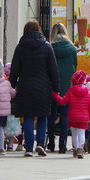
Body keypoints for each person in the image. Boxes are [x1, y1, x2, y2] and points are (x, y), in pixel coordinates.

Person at [10, 21, 60, 157]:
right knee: (43, 115)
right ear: (38, 30)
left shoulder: (20, 47)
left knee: (28, 116)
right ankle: (40, 143)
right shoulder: (46, 46)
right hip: (43, 87)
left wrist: (11, 86)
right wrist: (56, 88)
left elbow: (14, 69)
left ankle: (28, 148)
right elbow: (53, 70)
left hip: (25, 86)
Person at [47, 23, 77, 153]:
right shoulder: (71, 48)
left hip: (53, 86)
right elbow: (74, 66)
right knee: (65, 116)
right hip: (67, 87)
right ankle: (63, 145)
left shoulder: (50, 48)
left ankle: (51, 143)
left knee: (51, 115)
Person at [53, 70, 90, 159]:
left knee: (74, 133)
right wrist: (89, 116)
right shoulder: (88, 92)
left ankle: (75, 149)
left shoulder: (71, 90)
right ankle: (80, 149)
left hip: (73, 116)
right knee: (81, 133)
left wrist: (56, 95)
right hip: (84, 117)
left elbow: (63, 102)